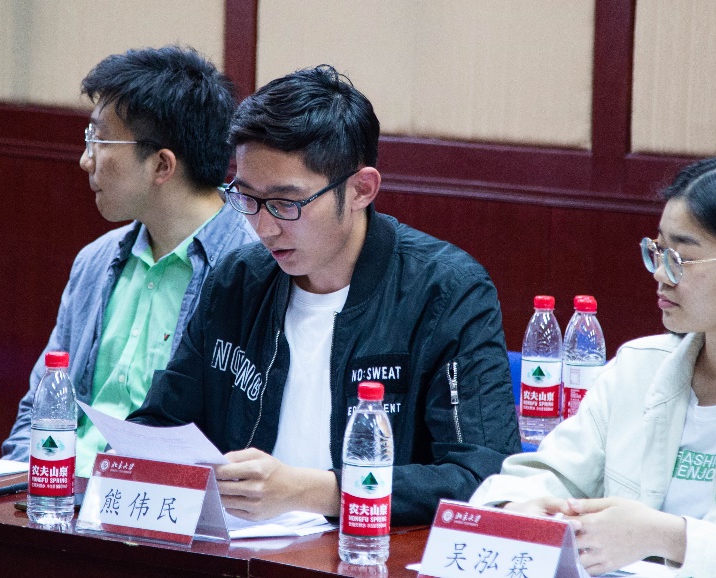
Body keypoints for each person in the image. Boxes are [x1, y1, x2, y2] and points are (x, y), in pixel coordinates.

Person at [128, 65, 520, 525]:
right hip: (238, 546)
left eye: (286, 203)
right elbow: (161, 423)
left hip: (366, 548)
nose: (263, 227)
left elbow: (481, 477)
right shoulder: (237, 280)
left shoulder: (446, 292)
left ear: (360, 190)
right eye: (247, 198)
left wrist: (315, 492)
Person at [1, 46, 257, 476]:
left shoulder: (252, 270)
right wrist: (17, 484)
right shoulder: (96, 260)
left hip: (161, 501)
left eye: (99, 140)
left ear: (161, 165)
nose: (86, 159)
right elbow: (40, 405)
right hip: (59, 491)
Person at [470, 158, 716, 576]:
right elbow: (542, 476)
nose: (660, 273)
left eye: (680, 257)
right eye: (657, 251)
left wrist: (667, 536)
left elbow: (657, 535)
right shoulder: (638, 369)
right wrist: (518, 509)